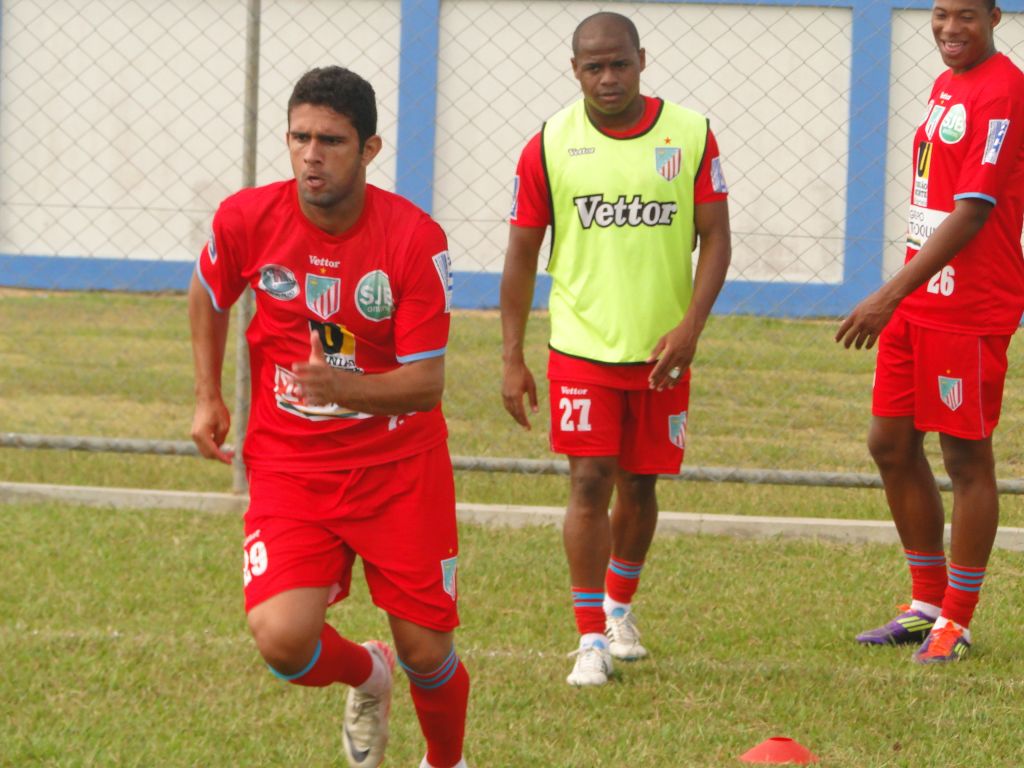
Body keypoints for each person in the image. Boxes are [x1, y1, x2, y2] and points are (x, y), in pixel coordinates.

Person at [189, 66, 469, 767]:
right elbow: (208, 290)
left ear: (369, 150)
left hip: (398, 465)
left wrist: (340, 387)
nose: (312, 154)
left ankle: (446, 761)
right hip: (291, 465)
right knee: (282, 639)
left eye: (332, 141)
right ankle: (370, 675)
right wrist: (207, 394)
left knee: (428, 652)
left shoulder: (414, 241)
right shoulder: (246, 218)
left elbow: (427, 384)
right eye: (300, 137)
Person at [500, 12, 732, 687]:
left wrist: (691, 326)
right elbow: (520, 254)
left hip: (661, 350)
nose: (608, 78)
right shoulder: (547, 144)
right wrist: (511, 355)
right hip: (580, 346)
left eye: (619, 64)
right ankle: (589, 639)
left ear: (642, 60)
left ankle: (619, 609)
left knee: (640, 482)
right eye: (593, 66)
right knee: (589, 480)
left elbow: (715, 236)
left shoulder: (689, 134)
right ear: (574, 70)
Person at [836, 0, 1024, 663]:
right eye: (941, 14)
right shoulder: (950, 80)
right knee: (889, 442)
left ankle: (958, 621)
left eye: (966, 15)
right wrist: (905, 295)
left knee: (966, 460)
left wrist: (888, 293)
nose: (949, 28)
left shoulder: (1004, 91)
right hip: (922, 299)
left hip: (967, 307)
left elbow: (973, 211)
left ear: (996, 17)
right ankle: (925, 602)